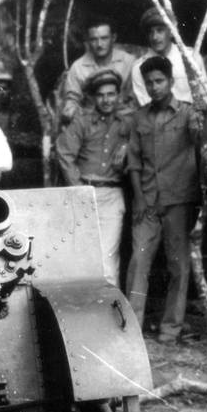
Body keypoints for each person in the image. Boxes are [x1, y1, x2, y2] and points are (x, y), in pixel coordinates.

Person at [125, 56, 207, 344]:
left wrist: (203, 122)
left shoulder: (187, 114)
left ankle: (170, 329)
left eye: (159, 81)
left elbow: (202, 143)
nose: (154, 87)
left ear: (171, 82)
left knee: (179, 266)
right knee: (138, 262)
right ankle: (132, 328)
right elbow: (134, 163)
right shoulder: (139, 118)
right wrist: (139, 199)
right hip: (147, 203)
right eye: (149, 82)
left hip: (178, 201)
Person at [56, 69, 131, 287]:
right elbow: (64, 152)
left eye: (111, 94)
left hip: (112, 194)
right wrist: (78, 188)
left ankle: (109, 315)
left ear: (118, 95)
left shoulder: (127, 122)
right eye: (101, 95)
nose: (106, 100)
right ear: (93, 97)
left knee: (108, 260)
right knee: (81, 256)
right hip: (84, 192)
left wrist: (127, 146)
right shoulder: (83, 122)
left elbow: (142, 141)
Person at [129, 8, 207, 108]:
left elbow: (206, 95)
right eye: (150, 32)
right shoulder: (139, 67)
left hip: (191, 117)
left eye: (160, 30)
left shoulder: (191, 57)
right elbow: (146, 105)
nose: (155, 37)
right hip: (159, 121)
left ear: (171, 32)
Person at [60, 16, 136, 126]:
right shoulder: (78, 67)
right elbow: (71, 101)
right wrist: (74, 114)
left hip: (123, 120)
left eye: (104, 38)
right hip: (91, 122)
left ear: (113, 38)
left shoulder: (129, 62)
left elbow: (136, 99)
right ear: (88, 41)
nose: (99, 44)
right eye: (94, 39)